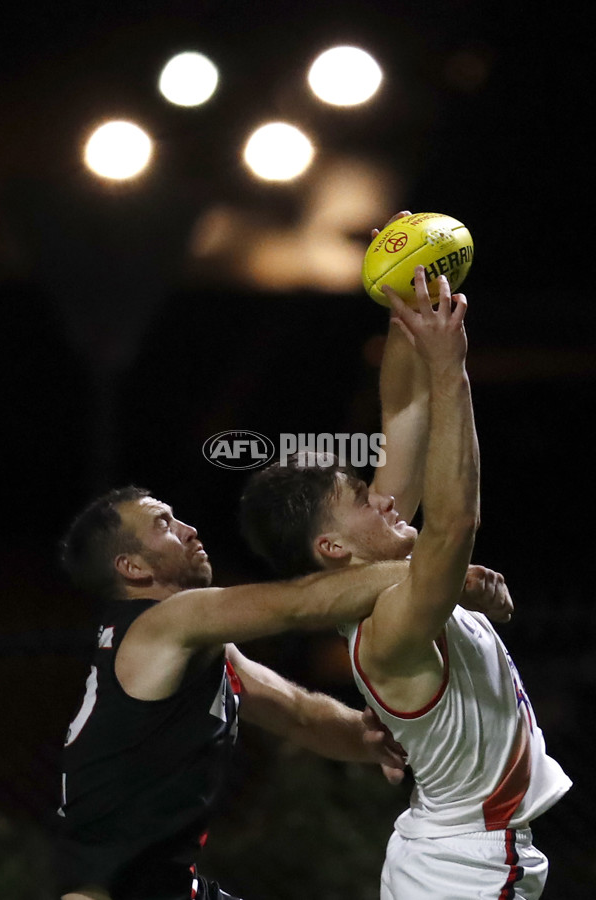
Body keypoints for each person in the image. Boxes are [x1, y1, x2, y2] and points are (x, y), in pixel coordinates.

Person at [240, 264, 572, 899]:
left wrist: (402, 304)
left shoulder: (379, 572)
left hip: (457, 856)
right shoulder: (387, 622)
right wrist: (452, 364)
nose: (388, 502)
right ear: (332, 548)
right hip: (464, 871)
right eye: (366, 498)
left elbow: (406, 408)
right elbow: (453, 525)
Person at [54, 485, 413, 900]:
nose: (188, 530)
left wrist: (375, 740)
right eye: (164, 524)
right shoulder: (166, 622)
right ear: (132, 567)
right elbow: (302, 603)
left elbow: (299, 713)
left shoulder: (188, 642)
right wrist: (435, 571)